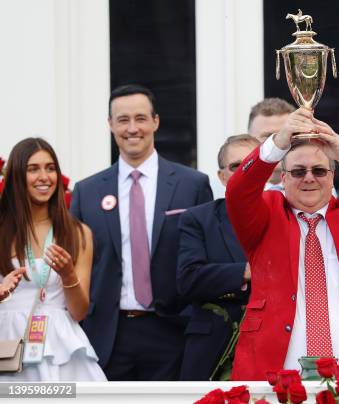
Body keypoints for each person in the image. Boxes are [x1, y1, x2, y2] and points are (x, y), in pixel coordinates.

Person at [226, 107, 339, 380]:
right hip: (276, 383)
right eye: (298, 172)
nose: (309, 177)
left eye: (320, 170)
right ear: (283, 178)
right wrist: (277, 144)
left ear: (333, 176)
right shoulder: (268, 213)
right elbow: (238, 193)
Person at [70, 84, 213, 380]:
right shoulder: (86, 192)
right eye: (122, 120)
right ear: (110, 124)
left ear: (155, 122)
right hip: (108, 334)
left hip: (174, 332)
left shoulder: (192, 185)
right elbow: (76, 266)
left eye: (140, 118)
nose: (132, 128)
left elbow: (206, 259)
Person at [0, 138, 105, 381]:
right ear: (16, 176)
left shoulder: (78, 232)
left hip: (62, 346)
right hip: (8, 343)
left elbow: (79, 312)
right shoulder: (3, 230)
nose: (44, 177)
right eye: (33, 169)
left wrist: (68, 275)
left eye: (50, 168)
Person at [176, 134, 259, 380]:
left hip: (272, 346)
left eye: (253, 164)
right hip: (213, 349)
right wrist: (246, 271)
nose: (244, 172)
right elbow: (188, 279)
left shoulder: (287, 214)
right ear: (222, 176)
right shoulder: (198, 219)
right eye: (236, 166)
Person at [247, 98, 295, 189]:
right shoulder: (223, 192)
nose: (278, 142)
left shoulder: (322, 192)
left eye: (285, 134)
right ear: (249, 139)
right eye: (268, 137)